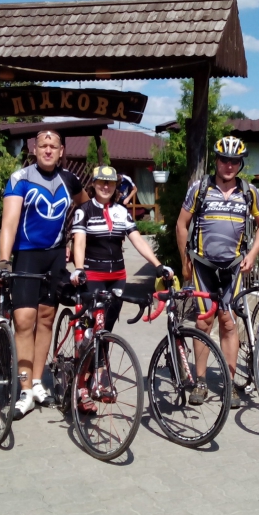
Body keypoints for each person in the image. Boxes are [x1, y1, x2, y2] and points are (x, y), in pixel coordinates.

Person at [0, 129, 88, 419]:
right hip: (27, 256)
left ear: (61, 152)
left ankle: (37, 382)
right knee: (25, 320)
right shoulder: (20, 178)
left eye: (53, 146)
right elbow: (9, 223)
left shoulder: (69, 180)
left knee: (46, 318)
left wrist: (75, 238)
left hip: (54, 257)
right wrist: (4, 260)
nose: (48, 150)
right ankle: (24, 390)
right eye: (43, 145)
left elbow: (85, 205)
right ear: (34, 149)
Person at [176, 136, 259, 408]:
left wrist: (252, 254)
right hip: (203, 265)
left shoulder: (249, 192)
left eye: (234, 161)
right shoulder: (200, 188)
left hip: (233, 268)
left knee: (228, 323)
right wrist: (184, 260)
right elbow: (181, 224)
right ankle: (200, 381)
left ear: (240, 164)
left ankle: (229, 384)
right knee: (204, 322)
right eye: (224, 160)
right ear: (216, 161)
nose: (229, 165)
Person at [70, 165, 173, 411]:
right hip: (92, 276)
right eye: (101, 182)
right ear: (93, 184)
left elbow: (137, 240)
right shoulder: (84, 210)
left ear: (116, 186)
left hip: (117, 277)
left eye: (110, 183)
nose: (105, 187)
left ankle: (98, 378)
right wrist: (78, 268)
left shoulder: (121, 211)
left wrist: (158, 265)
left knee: (105, 330)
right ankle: (81, 385)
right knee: (91, 330)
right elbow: (79, 241)